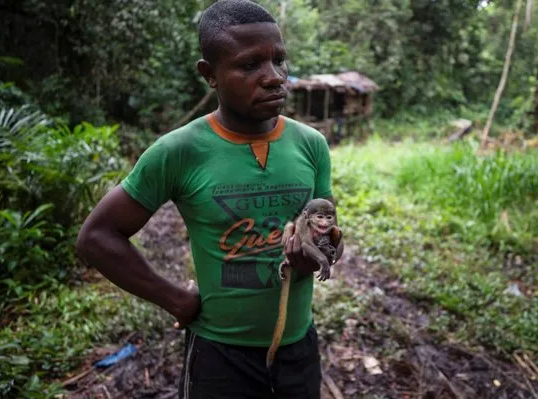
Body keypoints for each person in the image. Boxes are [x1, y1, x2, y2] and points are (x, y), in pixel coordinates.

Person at [75, 1, 344, 398]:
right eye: (250, 65)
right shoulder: (179, 151)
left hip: (298, 349)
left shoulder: (311, 145)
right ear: (209, 74)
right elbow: (97, 237)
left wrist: (321, 252)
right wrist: (176, 300)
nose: (274, 78)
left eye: (279, 60)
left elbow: (326, 230)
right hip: (219, 356)